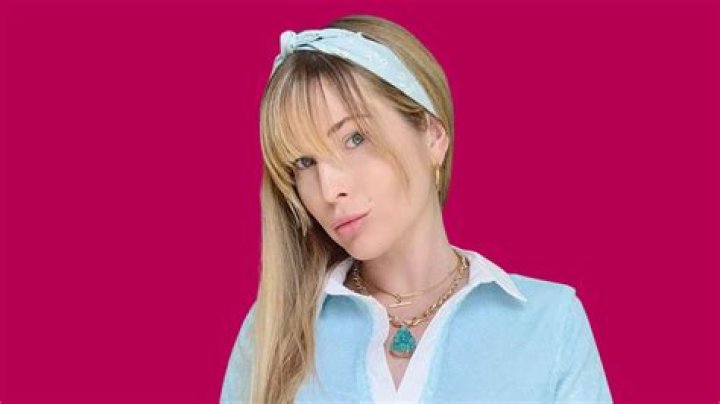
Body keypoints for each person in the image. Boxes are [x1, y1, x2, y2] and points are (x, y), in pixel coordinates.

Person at [220, 14, 612, 404]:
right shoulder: (270, 335)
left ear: (433, 135)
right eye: (304, 162)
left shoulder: (550, 323)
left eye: (354, 138)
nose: (329, 189)